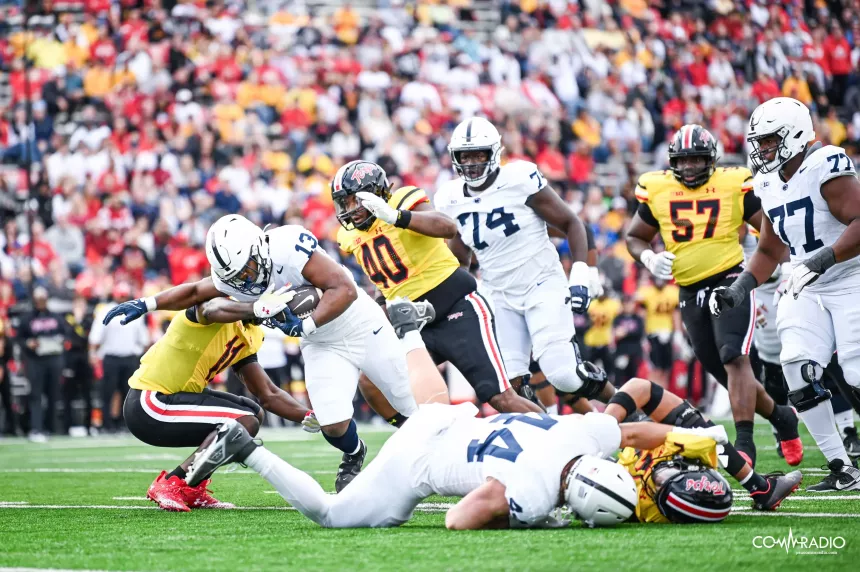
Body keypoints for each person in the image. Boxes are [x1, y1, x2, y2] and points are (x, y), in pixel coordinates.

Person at [104, 214, 418, 492]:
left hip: (354, 323)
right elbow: (206, 302)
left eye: (246, 271)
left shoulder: (285, 250)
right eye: (235, 280)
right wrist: (148, 304)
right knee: (275, 422)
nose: (244, 281)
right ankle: (178, 485)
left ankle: (185, 485)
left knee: (405, 400)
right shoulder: (226, 306)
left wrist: (305, 415)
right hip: (155, 400)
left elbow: (266, 393)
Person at [625, 123, 801, 467]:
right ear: (673, 161)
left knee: (733, 356)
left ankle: (745, 443)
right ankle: (782, 417)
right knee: (721, 369)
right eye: (684, 160)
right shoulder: (657, 188)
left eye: (697, 159)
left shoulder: (732, 183)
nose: (690, 167)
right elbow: (635, 236)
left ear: (712, 160)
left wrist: (778, 263)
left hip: (730, 278)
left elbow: (767, 226)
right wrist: (648, 256)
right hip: (689, 289)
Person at [710, 97, 860, 491]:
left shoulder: (826, 163)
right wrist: (739, 287)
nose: (762, 149)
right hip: (805, 280)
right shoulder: (766, 181)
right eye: (759, 141)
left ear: (794, 134)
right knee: (794, 365)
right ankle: (842, 467)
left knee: (856, 371)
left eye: (770, 140)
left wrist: (823, 258)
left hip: (849, 276)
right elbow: (770, 249)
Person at [333, 159, 539, 414]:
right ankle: (418, 434)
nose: (348, 209)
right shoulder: (349, 236)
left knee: (499, 398)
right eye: (343, 202)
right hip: (414, 325)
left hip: (456, 309)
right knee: (372, 380)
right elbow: (386, 277)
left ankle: (559, 443)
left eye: (353, 200)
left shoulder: (401, 201)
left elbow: (447, 227)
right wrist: (381, 305)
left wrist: (396, 217)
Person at [435, 117, 608, 404]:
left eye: (479, 154)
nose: (472, 162)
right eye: (465, 156)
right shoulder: (449, 198)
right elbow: (459, 259)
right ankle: (545, 435)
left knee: (563, 375)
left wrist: (582, 274)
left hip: (541, 282)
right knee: (511, 385)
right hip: (498, 294)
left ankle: (626, 409)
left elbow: (572, 223)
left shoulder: (519, 179)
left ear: (494, 153)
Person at [122, 296, 318, 512]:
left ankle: (191, 487)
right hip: (150, 402)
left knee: (253, 415)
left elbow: (268, 394)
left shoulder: (251, 334)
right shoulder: (218, 308)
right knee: (243, 420)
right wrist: (255, 307)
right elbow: (208, 309)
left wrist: (312, 415)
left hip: (173, 402)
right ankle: (172, 482)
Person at [604, 376, 801, 521]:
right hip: (614, 473)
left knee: (627, 395)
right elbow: (628, 434)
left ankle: (760, 487)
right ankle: (760, 487)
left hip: (611, 475)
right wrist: (696, 432)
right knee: (695, 425)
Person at [89, 283, 149, 432]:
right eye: (120, 295)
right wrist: (93, 354)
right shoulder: (105, 310)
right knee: (107, 392)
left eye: (124, 295)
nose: (122, 298)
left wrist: (141, 354)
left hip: (129, 357)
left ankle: (124, 424)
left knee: (128, 393)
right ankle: (107, 424)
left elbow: (144, 339)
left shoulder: (136, 311)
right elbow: (95, 337)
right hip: (110, 357)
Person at [17, 286, 65, 442]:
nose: (41, 302)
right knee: (35, 395)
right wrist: (28, 343)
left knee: (53, 394)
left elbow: (66, 334)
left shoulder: (56, 317)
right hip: (35, 360)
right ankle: (36, 428)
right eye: (38, 300)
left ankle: (51, 428)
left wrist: (61, 341)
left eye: (43, 299)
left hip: (53, 358)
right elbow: (19, 338)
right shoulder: (27, 318)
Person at [636, 278, 680, 388]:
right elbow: (642, 315)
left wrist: (678, 332)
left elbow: (676, 314)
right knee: (655, 367)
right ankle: (653, 396)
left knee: (666, 368)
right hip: (652, 334)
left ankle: (663, 396)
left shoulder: (672, 291)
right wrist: (643, 335)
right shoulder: (646, 292)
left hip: (668, 333)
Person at [62, 295, 94, 435]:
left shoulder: (89, 320)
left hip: (85, 359)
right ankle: (66, 427)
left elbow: (87, 338)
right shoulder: (67, 320)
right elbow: (68, 337)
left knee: (88, 394)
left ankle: (88, 426)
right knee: (68, 394)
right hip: (71, 360)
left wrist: (79, 323)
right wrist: (76, 322)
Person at [611, 296, 645, 386]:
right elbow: (616, 334)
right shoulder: (618, 318)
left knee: (634, 379)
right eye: (626, 303)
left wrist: (625, 332)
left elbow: (639, 333)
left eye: (630, 303)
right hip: (621, 351)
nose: (628, 306)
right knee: (619, 378)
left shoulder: (638, 318)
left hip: (634, 352)